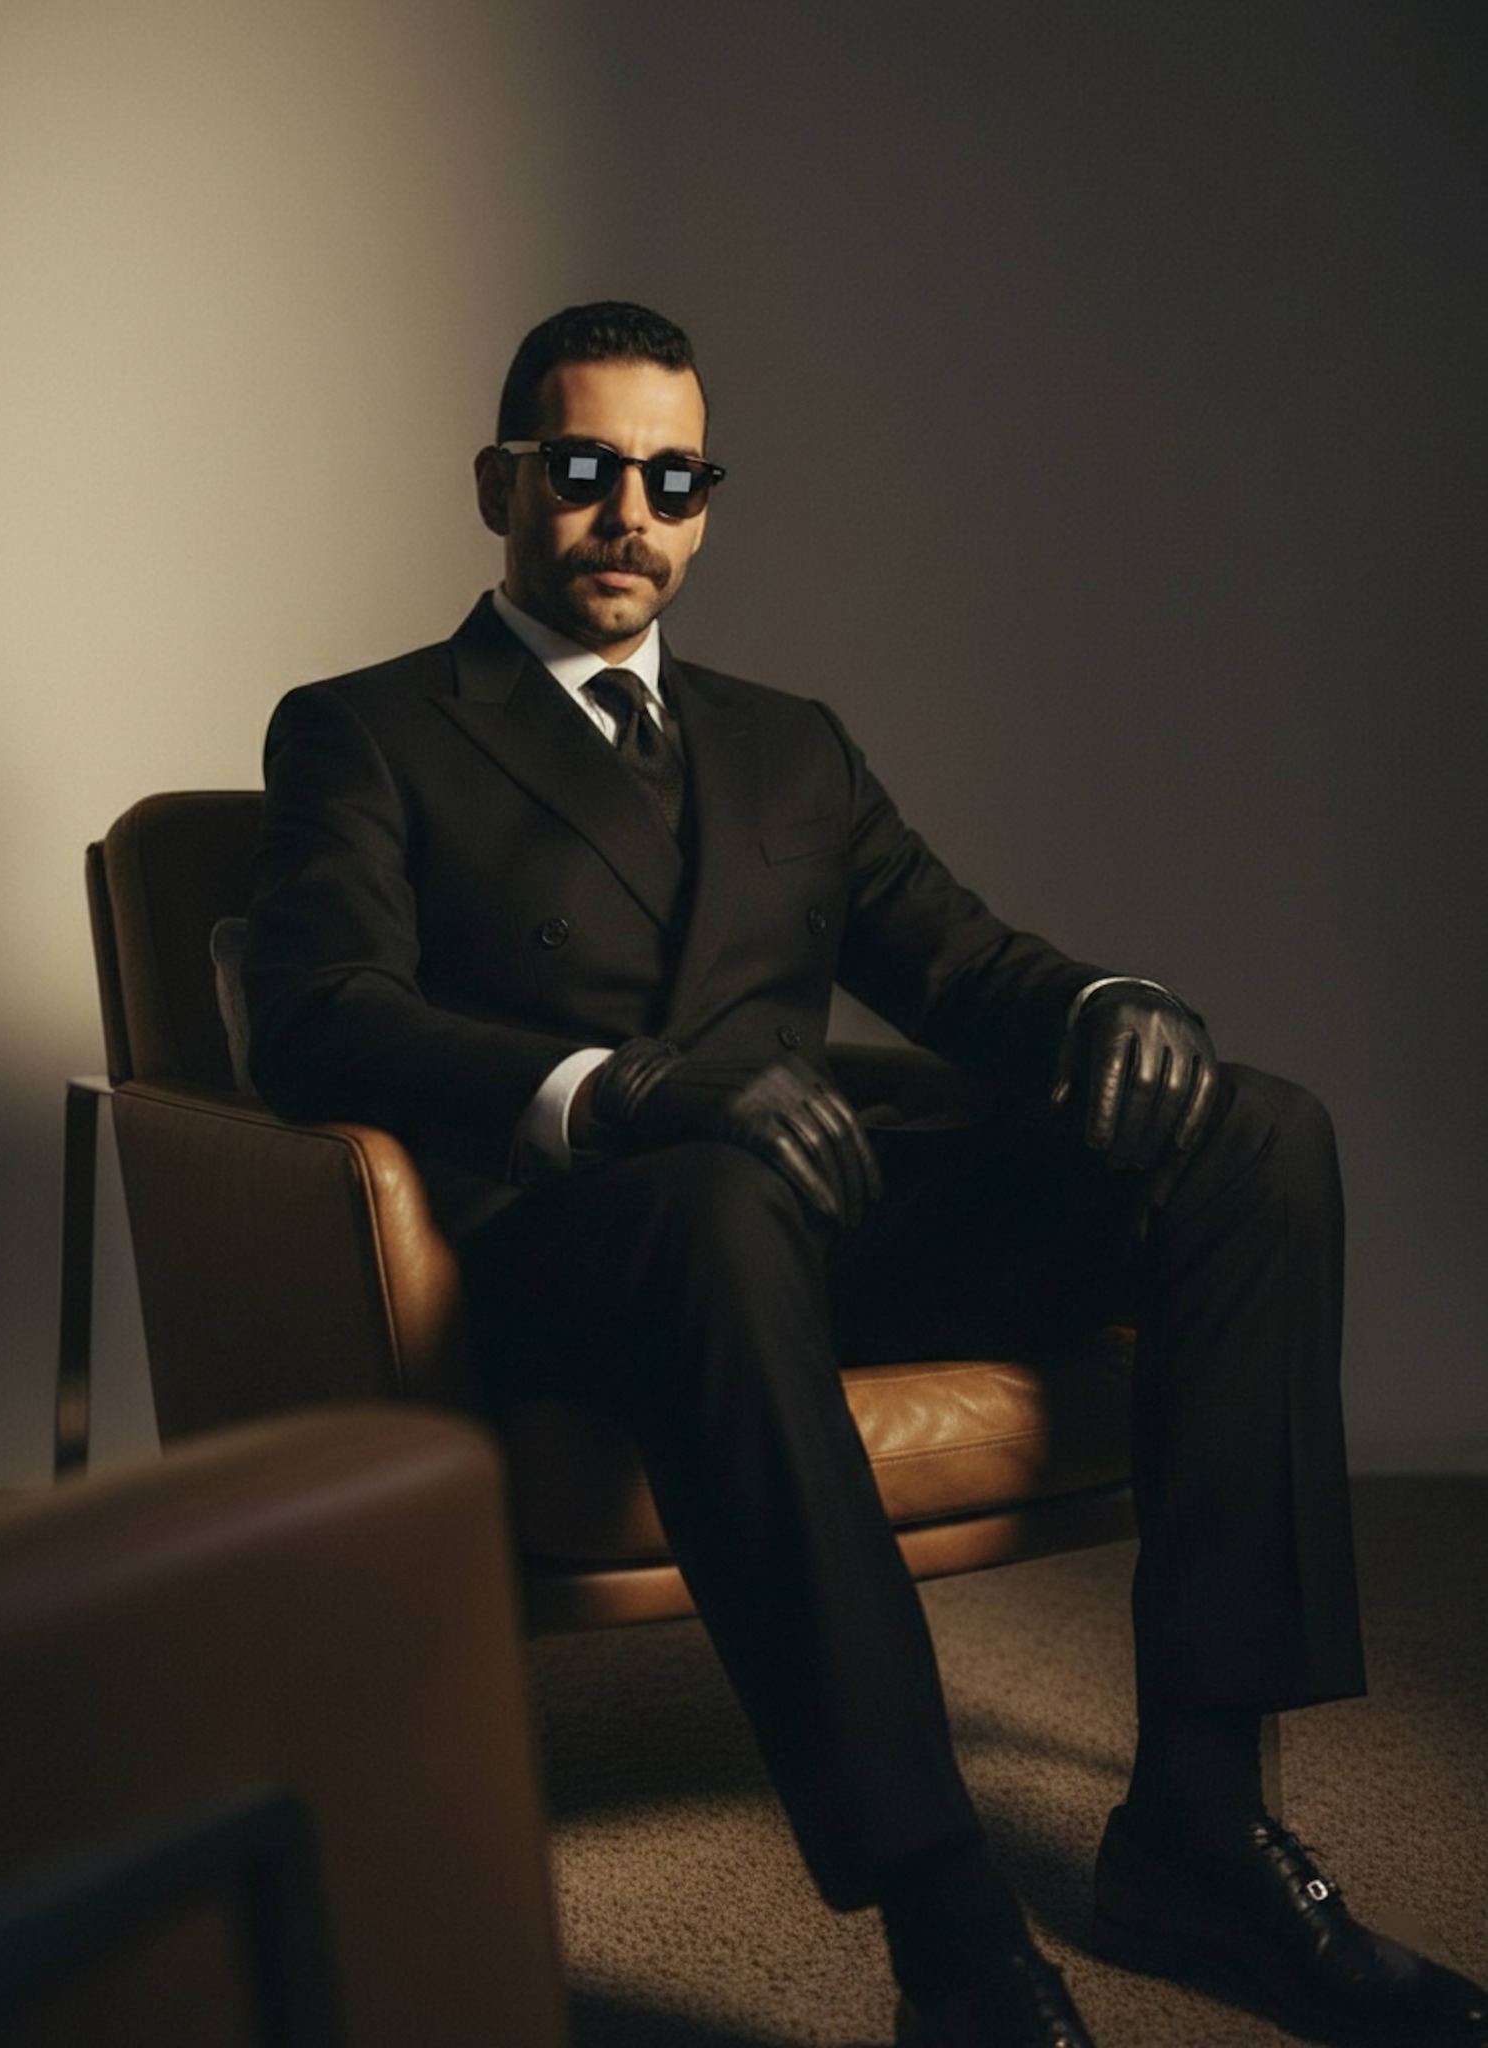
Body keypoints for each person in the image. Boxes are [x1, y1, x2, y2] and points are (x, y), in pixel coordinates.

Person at [243, 302, 1487, 2048]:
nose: (630, 517)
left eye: (674, 481)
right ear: (498, 481)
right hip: (591, 1247)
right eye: (586, 470)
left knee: (1255, 1131)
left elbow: (964, 968)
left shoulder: (789, 745)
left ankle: (1201, 1824)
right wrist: (634, 1092)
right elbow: (314, 1020)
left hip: (819, 1216)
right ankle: (947, 1916)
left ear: (704, 504)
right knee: (716, 1197)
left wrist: (1116, 1006)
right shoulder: (366, 730)